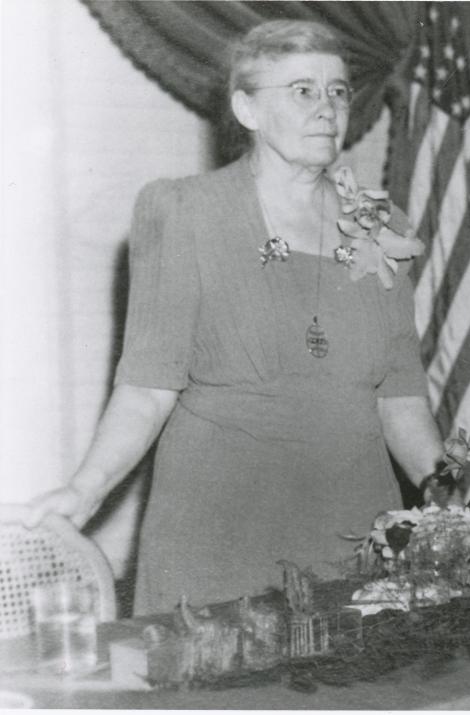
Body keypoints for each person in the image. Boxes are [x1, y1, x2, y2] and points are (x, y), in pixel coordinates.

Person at [9, 20, 446, 615]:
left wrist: (456, 499)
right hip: (221, 538)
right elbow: (145, 390)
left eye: (338, 91)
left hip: (354, 537)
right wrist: (83, 493)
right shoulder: (184, 212)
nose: (327, 108)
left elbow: (401, 398)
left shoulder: (384, 223)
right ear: (246, 108)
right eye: (301, 90)